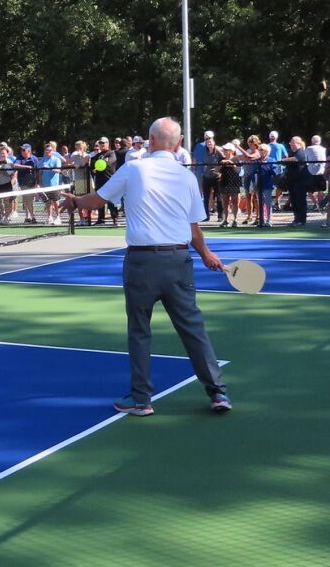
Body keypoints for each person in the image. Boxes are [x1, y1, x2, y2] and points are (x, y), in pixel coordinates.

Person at [62, 117, 231, 418]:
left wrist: (74, 202)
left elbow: (98, 200)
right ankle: (218, 393)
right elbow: (193, 228)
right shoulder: (187, 178)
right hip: (179, 262)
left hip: (141, 263)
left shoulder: (133, 168)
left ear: (149, 141)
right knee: (193, 329)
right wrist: (206, 254)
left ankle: (141, 400)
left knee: (139, 331)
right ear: (178, 144)